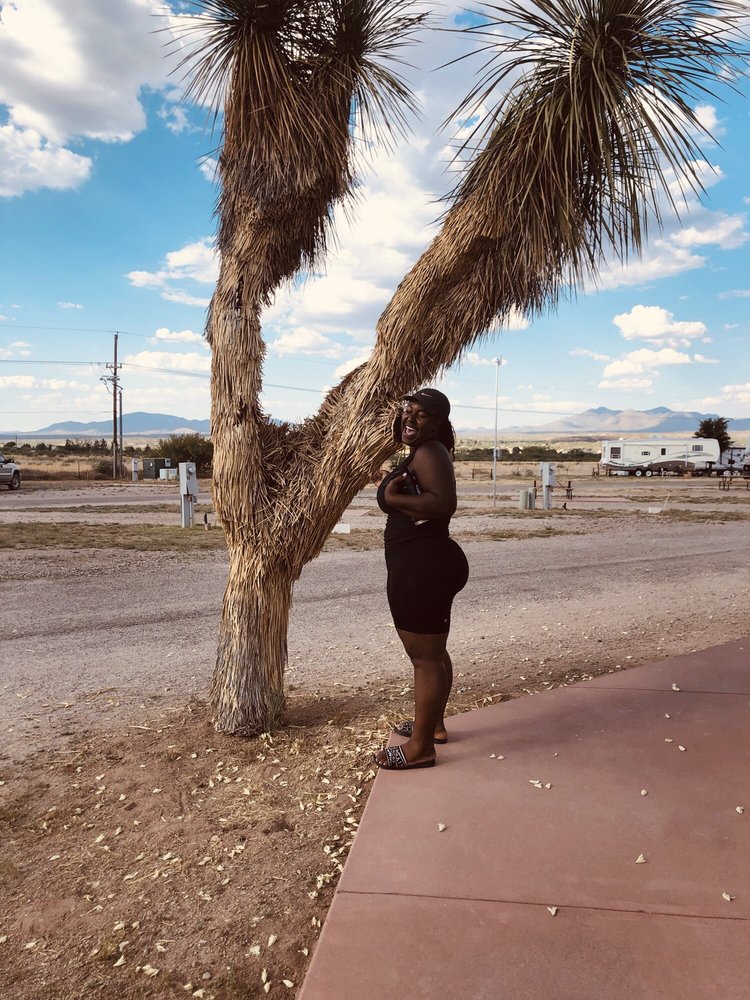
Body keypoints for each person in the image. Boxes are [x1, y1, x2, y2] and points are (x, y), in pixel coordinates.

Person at [374, 388, 469, 770]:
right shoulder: (423, 452)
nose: (409, 417)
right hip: (422, 564)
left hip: (423, 566)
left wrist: (393, 498)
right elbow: (425, 494)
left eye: (421, 413)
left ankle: (420, 748)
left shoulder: (430, 451)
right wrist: (391, 483)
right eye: (407, 410)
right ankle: (434, 726)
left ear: (438, 422)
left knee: (425, 659)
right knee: (433, 653)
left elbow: (443, 503)